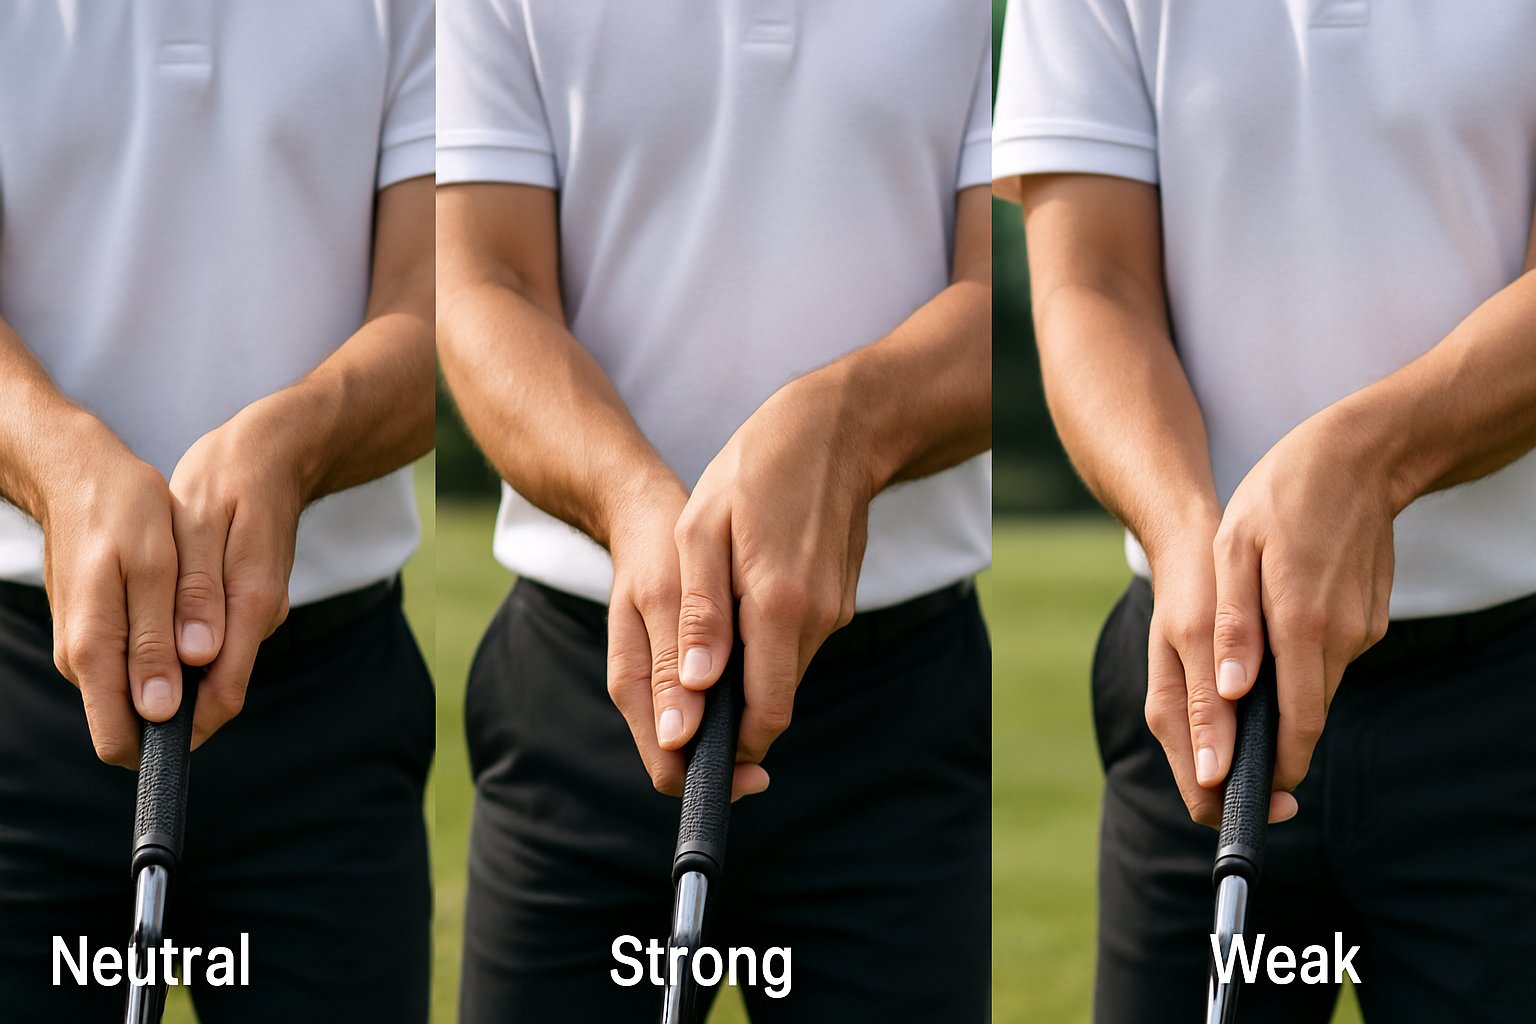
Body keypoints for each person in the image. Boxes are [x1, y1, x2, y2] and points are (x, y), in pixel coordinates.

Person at [437, 2, 993, 1019]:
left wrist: (845, 426)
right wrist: (629, 500)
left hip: (894, 716)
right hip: (583, 690)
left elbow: (1038, 290)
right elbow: (483, 283)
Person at [994, 2, 1536, 1021]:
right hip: (1203, 672)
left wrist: (1366, 461)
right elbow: (1090, 283)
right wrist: (1182, 532)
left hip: (1507, 699)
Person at [0, 3, 435, 1019]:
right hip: (20, 693)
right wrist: (59, 466)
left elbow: (444, 298)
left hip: (327, 714)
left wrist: (295, 444)